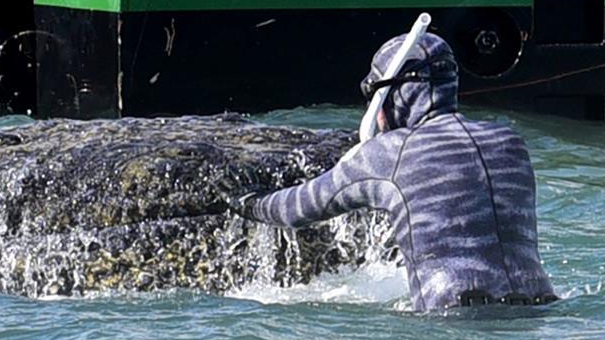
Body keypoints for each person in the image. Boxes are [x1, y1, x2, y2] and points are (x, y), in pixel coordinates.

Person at [225, 32, 557, 311]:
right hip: (538, 309)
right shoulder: (510, 142)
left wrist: (244, 199)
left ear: (391, 95)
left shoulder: (390, 152)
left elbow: (295, 210)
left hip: (453, 319)